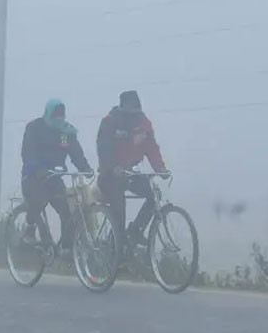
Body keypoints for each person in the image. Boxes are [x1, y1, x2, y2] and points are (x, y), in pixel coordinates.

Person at [96, 90, 169, 247]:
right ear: (123, 108)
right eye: (131, 112)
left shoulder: (143, 123)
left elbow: (151, 147)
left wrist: (160, 167)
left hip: (129, 173)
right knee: (119, 209)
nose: (134, 116)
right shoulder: (110, 121)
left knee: (153, 196)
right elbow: (103, 147)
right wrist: (112, 167)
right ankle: (116, 249)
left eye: (136, 111)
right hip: (110, 175)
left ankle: (136, 230)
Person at [20, 99, 93, 250]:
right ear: (48, 113)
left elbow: (76, 153)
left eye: (62, 115)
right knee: (38, 200)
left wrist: (85, 168)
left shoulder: (66, 132)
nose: (59, 118)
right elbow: (28, 152)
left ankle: (67, 249)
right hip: (34, 177)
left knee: (66, 211)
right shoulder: (34, 128)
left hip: (54, 178)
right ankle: (30, 227)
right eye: (56, 115)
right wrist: (37, 169)